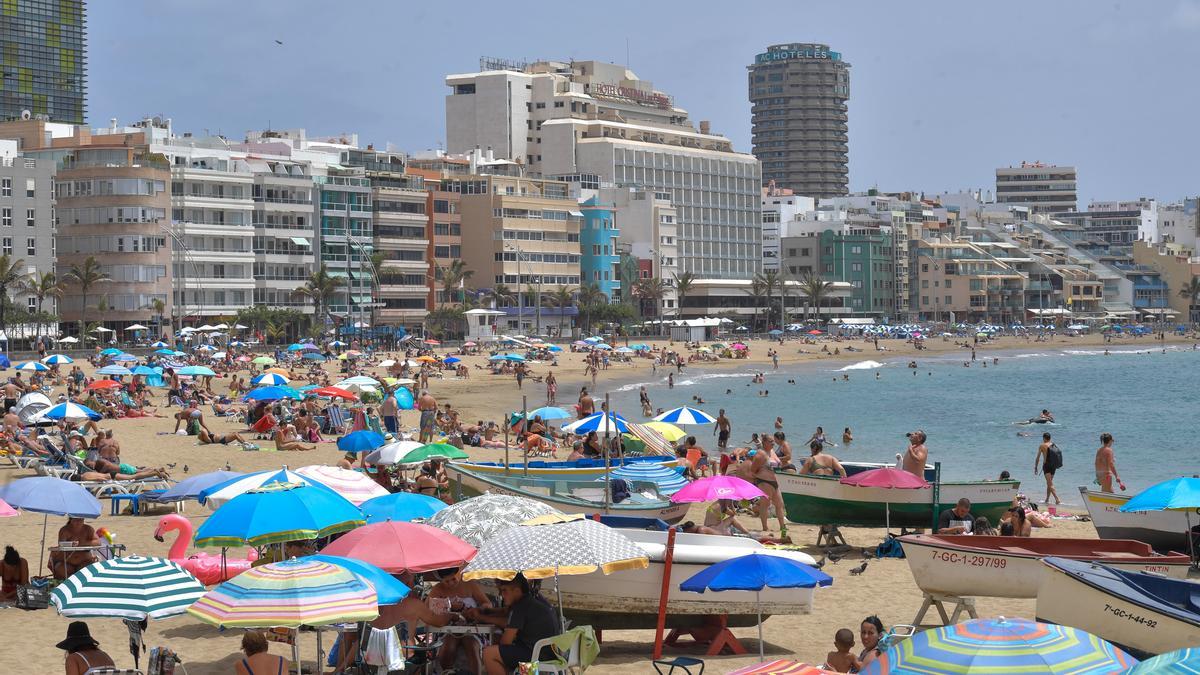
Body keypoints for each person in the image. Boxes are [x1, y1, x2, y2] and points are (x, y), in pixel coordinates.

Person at [470, 574, 561, 675]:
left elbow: (505, 642)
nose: (501, 595)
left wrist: (480, 617)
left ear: (517, 591)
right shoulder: (532, 600)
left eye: (504, 590)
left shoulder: (520, 607)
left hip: (536, 656)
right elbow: (505, 613)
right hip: (549, 653)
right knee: (500, 651)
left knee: (488, 653)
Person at [429, 569, 494, 674]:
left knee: (472, 646)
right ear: (441, 580)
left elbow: (487, 604)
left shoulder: (470, 584)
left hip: (472, 627)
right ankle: (447, 672)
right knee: (448, 647)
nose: (451, 583)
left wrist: (477, 610)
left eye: (453, 579)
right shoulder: (437, 589)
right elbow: (428, 610)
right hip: (446, 628)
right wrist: (448, 608)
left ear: (459, 574)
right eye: (447, 581)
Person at [1034, 432, 1063, 505]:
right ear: (1050, 438)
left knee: (1050, 483)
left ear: (1044, 438)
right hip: (1053, 466)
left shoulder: (1042, 445)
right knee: (1049, 483)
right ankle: (1047, 499)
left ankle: (1057, 499)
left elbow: (1037, 458)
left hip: (1046, 466)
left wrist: (1036, 467)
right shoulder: (1054, 445)